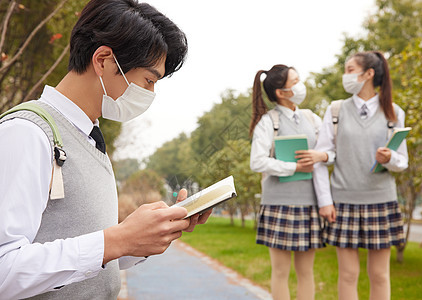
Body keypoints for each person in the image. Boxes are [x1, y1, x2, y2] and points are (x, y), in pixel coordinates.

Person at [0, 0, 211, 299]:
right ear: (103, 60)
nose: (150, 94)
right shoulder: (27, 133)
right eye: (148, 80)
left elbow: (91, 253)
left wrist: (145, 235)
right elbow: (4, 268)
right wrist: (116, 240)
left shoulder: (88, 136)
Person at [316, 51, 408, 300]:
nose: (345, 75)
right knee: (347, 274)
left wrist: (390, 159)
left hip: (381, 200)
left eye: (349, 69)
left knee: (379, 275)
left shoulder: (394, 112)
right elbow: (321, 157)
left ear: (368, 74)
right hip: (343, 202)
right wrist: (325, 201)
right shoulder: (336, 111)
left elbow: (402, 161)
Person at [249, 64, 335, 300]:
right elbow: (257, 162)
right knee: (280, 272)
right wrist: (293, 167)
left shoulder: (311, 117)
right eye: (295, 81)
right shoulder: (268, 122)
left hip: (309, 204)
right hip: (278, 205)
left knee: (306, 272)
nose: (300, 85)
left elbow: (331, 151)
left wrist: (322, 156)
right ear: (281, 92)